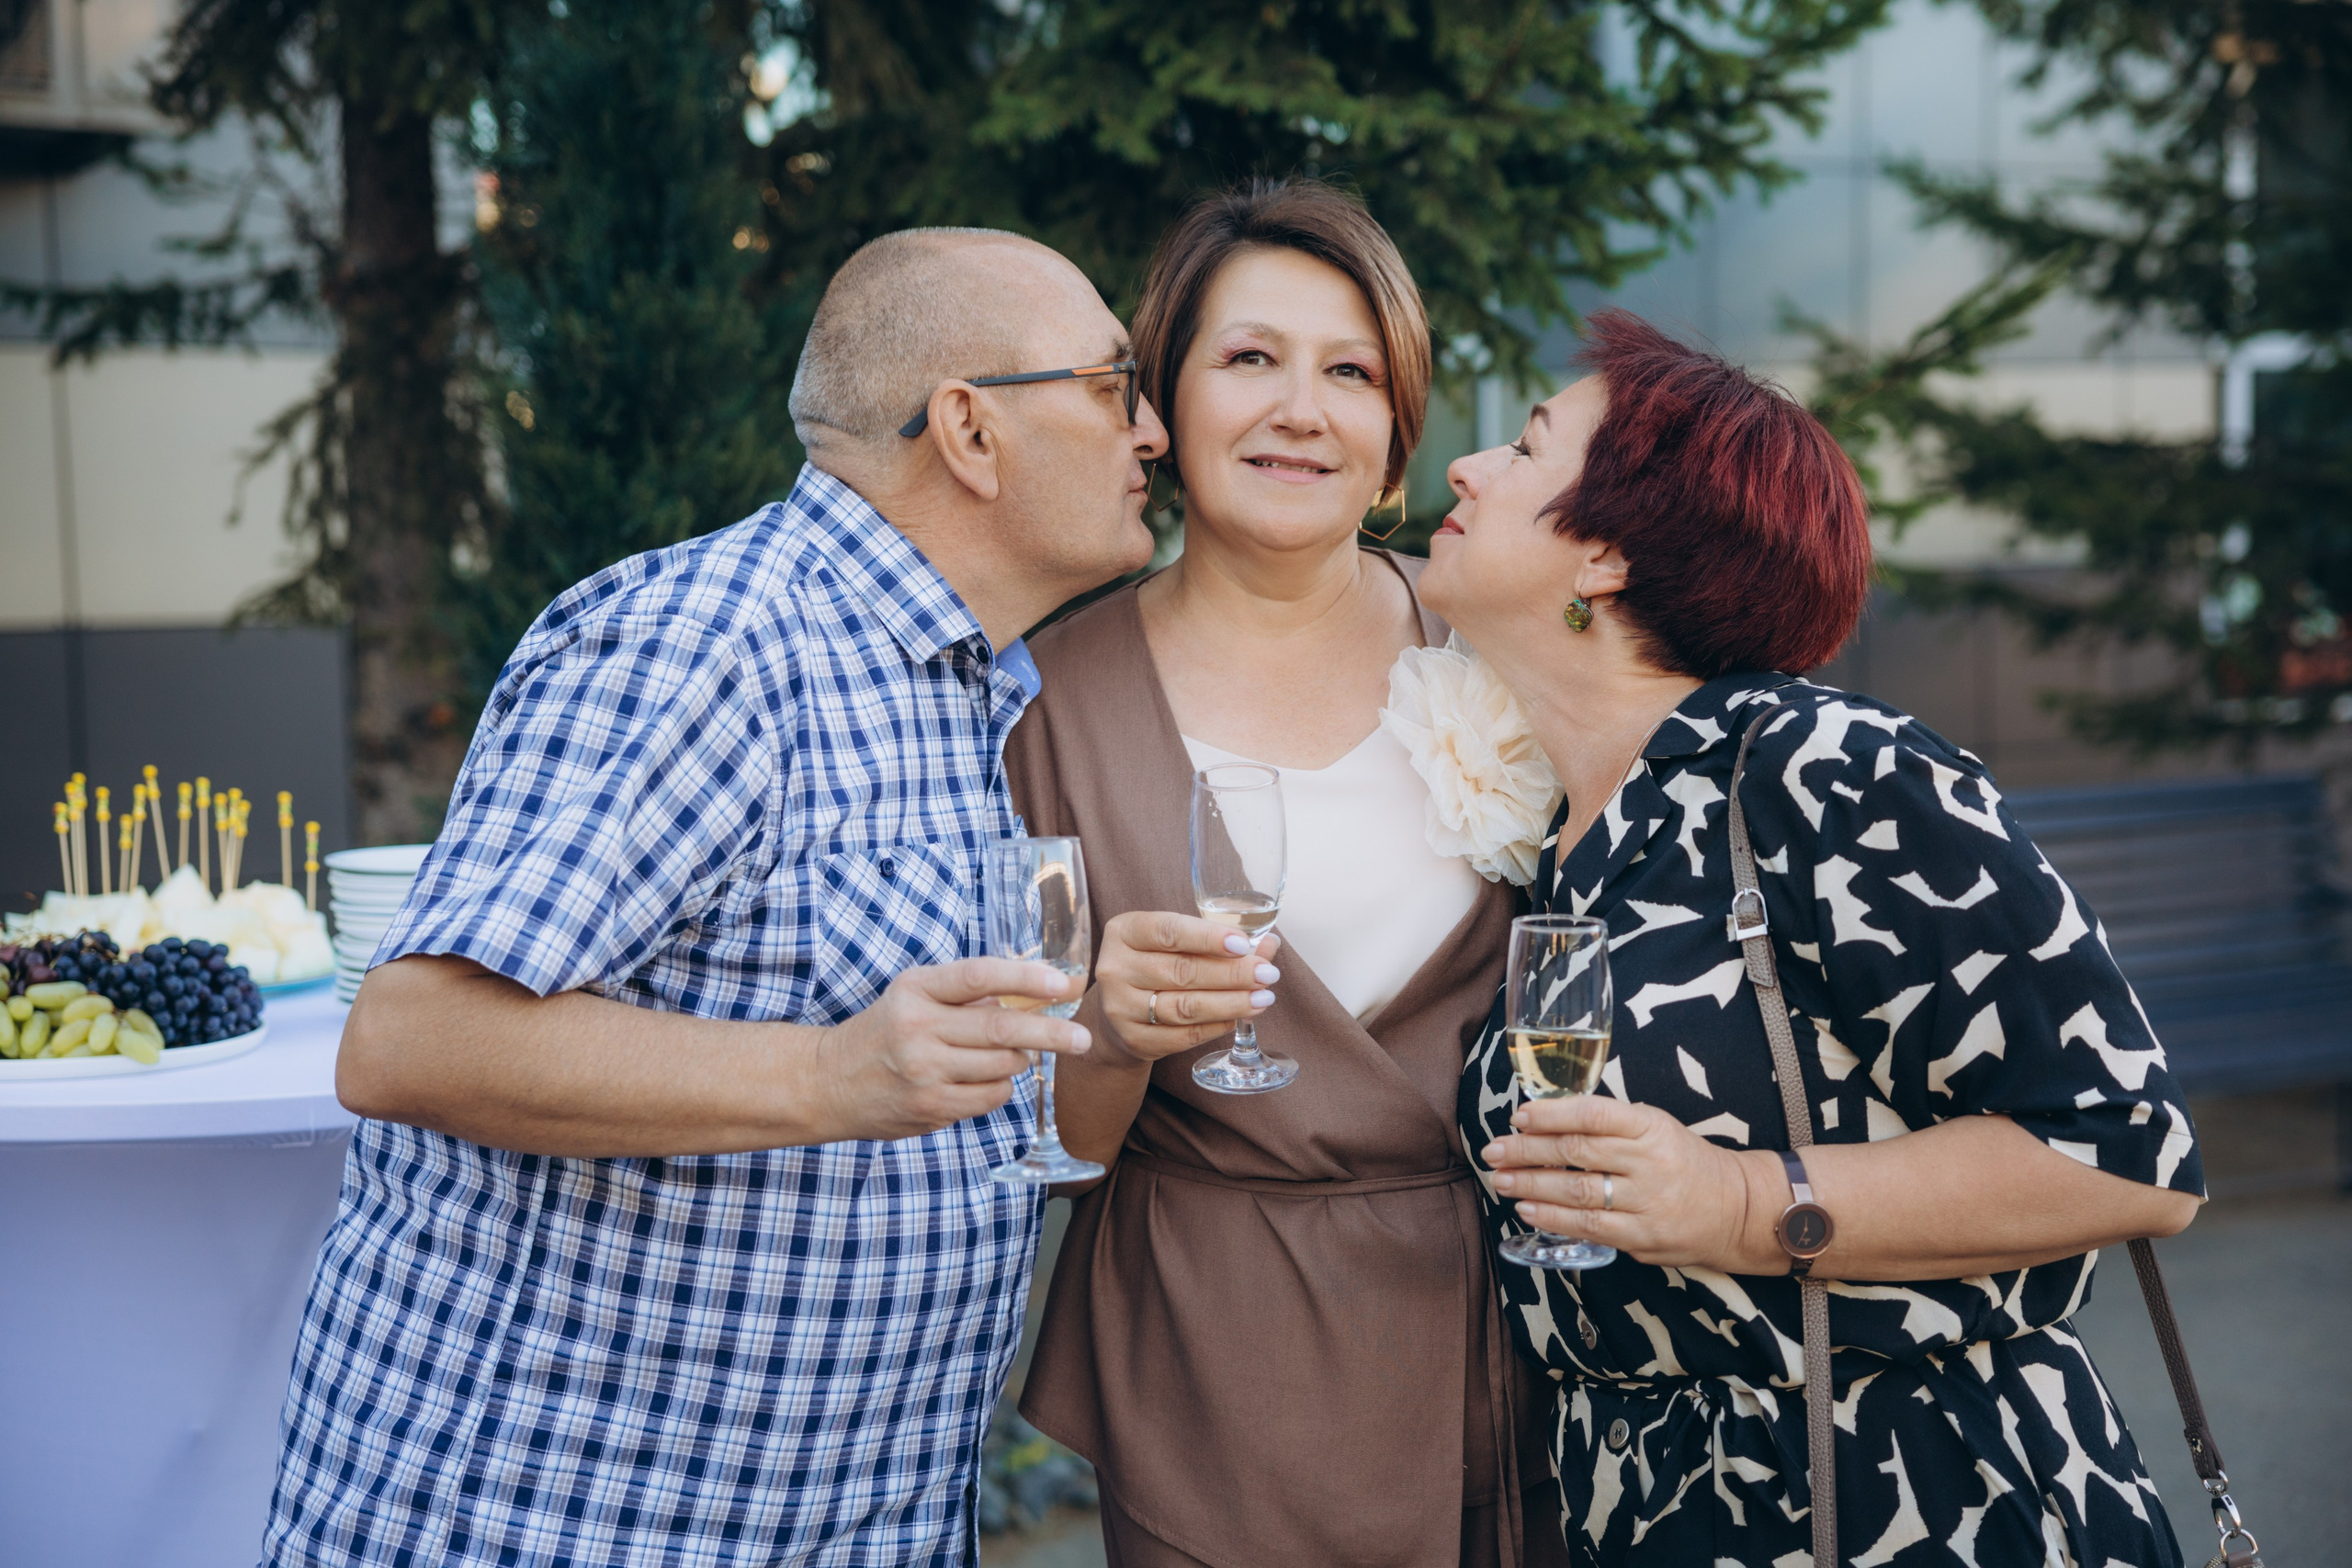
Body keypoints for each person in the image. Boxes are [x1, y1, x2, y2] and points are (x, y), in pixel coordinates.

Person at [263, 229, 1169, 1568]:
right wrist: (830, 1074)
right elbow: (409, 1038)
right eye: (1112, 384)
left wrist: (1119, 1027)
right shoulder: (710, 645)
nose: (1150, 431)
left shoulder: (973, 690)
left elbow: (970, 1134)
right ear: (970, 432)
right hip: (552, 1529)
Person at [1419, 308, 2207, 1565]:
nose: (1466, 468)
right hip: (1647, 1513)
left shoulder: (1826, 768)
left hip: (1917, 1503)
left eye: (1522, 448)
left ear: (1607, 554)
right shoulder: (1555, 833)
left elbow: (2131, 1155)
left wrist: (1737, 1201)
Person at [1004, 179, 1565, 1568]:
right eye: (1250, 359)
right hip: (1220, 1359)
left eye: (1351, 372)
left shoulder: (1504, 652)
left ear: (1394, 434)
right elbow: (1036, 1149)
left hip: (1518, 1347)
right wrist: (1111, 1037)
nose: (1300, 409)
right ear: (1163, 406)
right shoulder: (1041, 707)